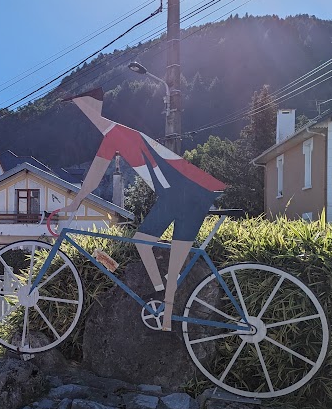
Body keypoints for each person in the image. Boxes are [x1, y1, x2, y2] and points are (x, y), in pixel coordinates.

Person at [62, 88, 226, 331]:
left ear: (95, 106)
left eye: (84, 107)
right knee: (143, 241)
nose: (85, 114)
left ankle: (166, 310)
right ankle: (162, 303)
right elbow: (95, 174)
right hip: (180, 192)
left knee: (161, 250)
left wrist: (75, 203)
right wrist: (76, 202)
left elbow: (96, 173)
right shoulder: (115, 135)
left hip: (186, 191)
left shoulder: (116, 133)